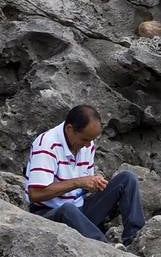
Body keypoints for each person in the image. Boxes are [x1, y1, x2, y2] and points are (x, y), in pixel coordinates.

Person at [23, 105, 146, 246]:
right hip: (49, 215)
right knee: (68, 208)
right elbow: (35, 194)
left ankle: (134, 240)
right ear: (70, 129)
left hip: (80, 212)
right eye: (85, 140)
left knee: (127, 179)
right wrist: (78, 182)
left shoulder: (87, 144)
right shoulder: (47, 145)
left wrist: (95, 183)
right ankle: (106, 248)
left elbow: (83, 186)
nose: (89, 145)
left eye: (91, 140)